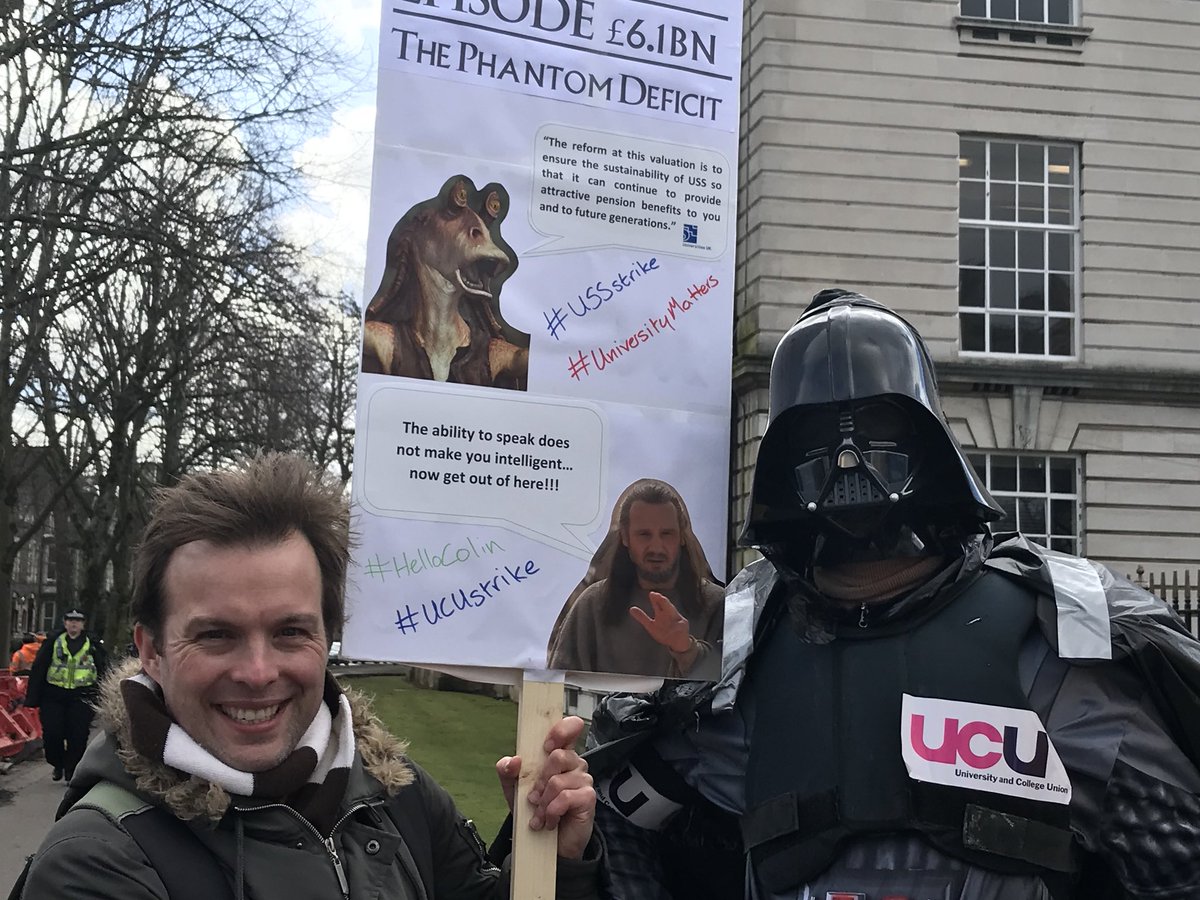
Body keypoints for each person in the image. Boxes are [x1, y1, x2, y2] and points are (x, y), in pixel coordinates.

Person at [586, 290, 1200, 899]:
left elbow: (1174, 862)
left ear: (925, 440)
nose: (849, 463)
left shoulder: (1060, 642)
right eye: (819, 442)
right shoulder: (740, 653)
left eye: (876, 431)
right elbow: (611, 821)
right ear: (784, 460)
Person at [19, 453, 602, 899]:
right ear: (150, 649)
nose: (257, 672)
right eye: (216, 634)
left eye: (290, 632)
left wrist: (555, 861)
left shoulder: (393, 790)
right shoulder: (94, 864)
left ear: (327, 636)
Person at [548, 479, 724, 680]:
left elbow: (735, 687)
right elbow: (559, 684)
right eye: (644, 535)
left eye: (667, 534)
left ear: (682, 536)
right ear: (625, 537)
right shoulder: (592, 605)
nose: (656, 547)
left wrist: (686, 649)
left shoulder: (716, 604)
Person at [24, 609, 109, 782]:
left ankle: (72, 769)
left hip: (82, 697)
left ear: (83, 624)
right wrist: (33, 697)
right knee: (52, 734)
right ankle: (58, 763)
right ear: (65, 623)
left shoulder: (92, 644)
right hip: (54, 695)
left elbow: (103, 670)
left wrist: (104, 697)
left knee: (77, 736)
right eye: (70, 620)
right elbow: (39, 668)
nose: (73, 624)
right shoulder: (54, 642)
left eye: (77, 621)